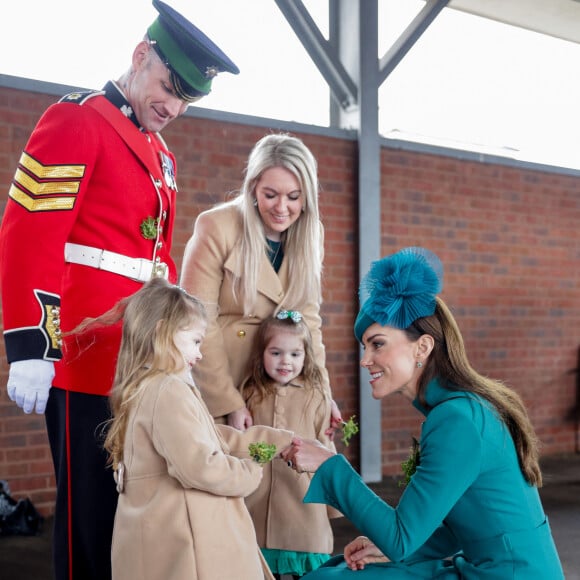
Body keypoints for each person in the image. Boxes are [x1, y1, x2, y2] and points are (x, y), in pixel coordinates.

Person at [0, 2, 239, 579]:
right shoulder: (76, 119)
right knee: (87, 523)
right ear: (140, 57)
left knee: (129, 515)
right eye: (167, 86)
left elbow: (155, 265)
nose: (173, 107)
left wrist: (176, 347)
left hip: (140, 361)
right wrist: (32, 346)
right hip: (84, 357)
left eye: (186, 99)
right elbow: (28, 232)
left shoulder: (163, 156)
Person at [282, 247, 565, 578]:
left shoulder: (457, 420)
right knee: (340, 570)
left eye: (377, 344)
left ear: (423, 347)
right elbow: (462, 525)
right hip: (495, 569)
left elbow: (400, 539)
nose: (365, 360)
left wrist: (330, 465)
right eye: (364, 347)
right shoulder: (463, 409)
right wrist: (383, 547)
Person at [80, 277, 293, 580]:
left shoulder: (145, 387)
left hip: (154, 540)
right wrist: (249, 472)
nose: (200, 352)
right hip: (185, 547)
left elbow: (207, 437)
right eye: (195, 341)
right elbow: (198, 466)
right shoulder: (168, 390)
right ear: (161, 333)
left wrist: (273, 441)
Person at [180, 132, 341, 430]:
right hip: (224, 377)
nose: (282, 207)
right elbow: (197, 322)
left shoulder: (312, 232)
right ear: (253, 187)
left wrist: (322, 393)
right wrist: (228, 402)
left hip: (285, 385)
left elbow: (309, 321)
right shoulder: (216, 226)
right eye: (271, 195)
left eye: (294, 197)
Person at [241, 310, 340, 579]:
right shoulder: (250, 393)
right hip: (257, 499)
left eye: (295, 354)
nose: (286, 361)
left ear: (306, 357)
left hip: (303, 500)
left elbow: (326, 447)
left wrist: (335, 500)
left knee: (304, 564)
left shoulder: (316, 397)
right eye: (276, 353)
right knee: (258, 563)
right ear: (261, 353)